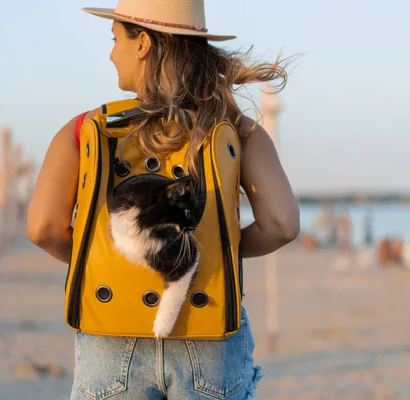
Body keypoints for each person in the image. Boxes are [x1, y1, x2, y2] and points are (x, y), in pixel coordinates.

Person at [27, 0, 300, 398]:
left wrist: (124, 257)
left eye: (115, 38)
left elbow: (43, 228)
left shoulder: (85, 130)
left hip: (109, 330)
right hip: (208, 330)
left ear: (143, 44)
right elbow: (283, 224)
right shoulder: (237, 130)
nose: (110, 52)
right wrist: (208, 254)